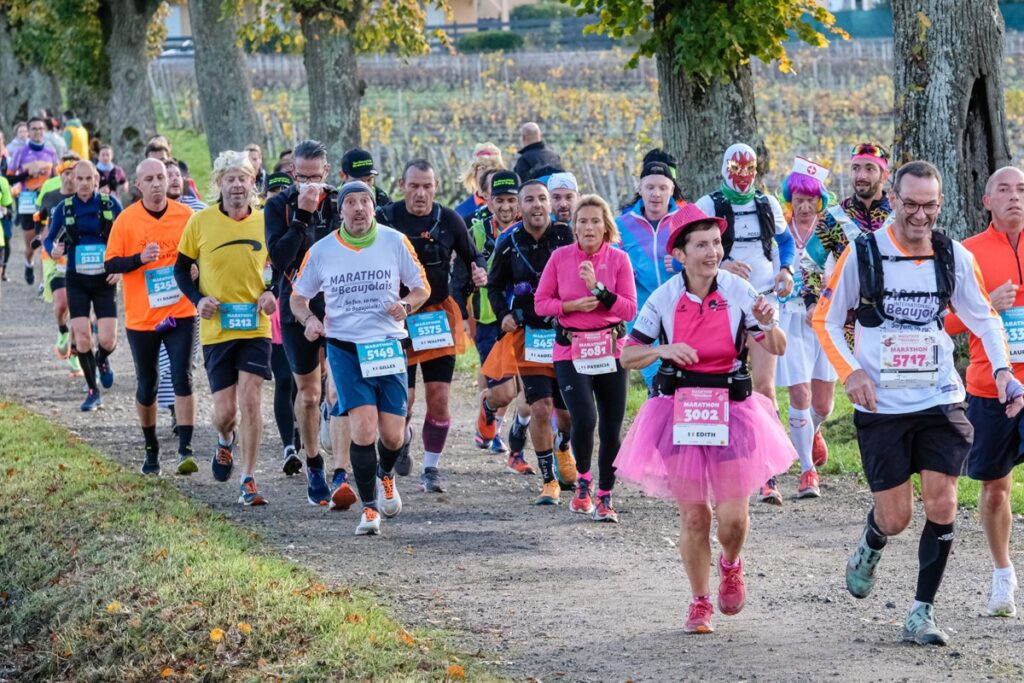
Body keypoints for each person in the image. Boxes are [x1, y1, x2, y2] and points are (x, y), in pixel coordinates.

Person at [813, 160, 1024, 646]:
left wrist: (1004, 372)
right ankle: (873, 537)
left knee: (944, 501)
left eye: (929, 206)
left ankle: (921, 612)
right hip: (882, 402)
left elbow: (986, 318)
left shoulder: (952, 256)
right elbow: (824, 320)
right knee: (897, 518)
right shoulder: (863, 253)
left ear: (940, 204)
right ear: (893, 201)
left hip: (939, 397)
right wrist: (852, 372)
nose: (920, 216)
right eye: (910, 205)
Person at [616, 202, 795, 634]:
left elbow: (778, 347)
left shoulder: (738, 292)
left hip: (733, 409)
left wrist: (768, 322)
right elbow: (626, 355)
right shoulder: (663, 297)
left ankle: (731, 563)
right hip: (679, 410)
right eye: (701, 245)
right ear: (680, 253)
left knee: (732, 520)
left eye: (716, 243)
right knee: (696, 517)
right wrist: (662, 350)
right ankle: (699, 601)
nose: (712, 252)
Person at [291, 180, 430, 535]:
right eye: (349, 202)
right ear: (340, 212)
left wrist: (406, 305)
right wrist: (309, 321)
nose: (357, 208)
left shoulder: (394, 241)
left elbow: (421, 287)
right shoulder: (322, 250)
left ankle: (385, 476)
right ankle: (369, 509)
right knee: (364, 428)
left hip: (387, 346)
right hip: (345, 347)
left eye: (363, 201)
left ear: (372, 207)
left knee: (393, 437)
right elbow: (298, 297)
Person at [174, 150, 277, 506]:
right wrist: (197, 300)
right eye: (230, 179)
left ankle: (248, 478)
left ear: (253, 183)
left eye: (243, 178)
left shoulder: (266, 221)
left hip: (255, 326)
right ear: (218, 184)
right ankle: (224, 440)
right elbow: (180, 270)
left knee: (251, 399)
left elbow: (282, 265)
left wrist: (272, 292)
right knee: (224, 414)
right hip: (217, 328)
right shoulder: (200, 223)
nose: (237, 185)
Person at [945, 166, 1024, 617]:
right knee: (995, 488)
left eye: (1022, 189)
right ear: (986, 200)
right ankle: (1003, 577)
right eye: (1004, 190)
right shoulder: (967, 253)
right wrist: (987, 307)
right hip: (990, 385)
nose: (1015, 197)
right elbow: (945, 323)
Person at [695, 143, 794, 504]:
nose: (742, 181)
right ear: (724, 170)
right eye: (735, 173)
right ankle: (720, 463)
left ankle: (769, 472)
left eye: (748, 173)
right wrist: (720, 267)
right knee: (721, 385)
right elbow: (688, 248)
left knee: (765, 388)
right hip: (724, 299)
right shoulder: (708, 205)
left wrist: (787, 269)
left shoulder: (767, 204)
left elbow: (785, 242)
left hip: (763, 298)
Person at [380, 159, 488, 492]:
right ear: (402, 185)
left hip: (436, 317)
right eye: (414, 186)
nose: (421, 193)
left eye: (427, 186)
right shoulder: (385, 218)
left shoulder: (449, 219)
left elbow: (474, 255)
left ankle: (431, 469)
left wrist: (478, 270)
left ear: (436, 186)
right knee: (405, 402)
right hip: (396, 319)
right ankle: (404, 437)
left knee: (439, 397)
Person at [265, 139, 356, 509]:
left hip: (340, 308)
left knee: (339, 393)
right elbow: (278, 257)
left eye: (315, 178)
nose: (308, 185)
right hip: (295, 310)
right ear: (292, 173)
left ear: (327, 172)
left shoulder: (340, 203)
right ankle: (314, 461)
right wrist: (301, 216)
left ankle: (341, 472)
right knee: (308, 394)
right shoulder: (278, 206)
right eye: (301, 177)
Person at [534, 194, 636, 521]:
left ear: (606, 227)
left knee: (610, 427)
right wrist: (570, 307)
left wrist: (599, 291)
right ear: (574, 227)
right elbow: (541, 303)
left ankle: (605, 494)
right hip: (571, 348)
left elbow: (629, 308)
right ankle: (583, 482)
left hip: (610, 348)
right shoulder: (560, 258)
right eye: (582, 221)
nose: (588, 227)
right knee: (585, 418)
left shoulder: (619, 260)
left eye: (595, 221)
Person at [483, 180, 577, 503]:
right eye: (530, 200)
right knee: (540, 407)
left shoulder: (567, 236)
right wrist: (503, 315)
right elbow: (493, 286)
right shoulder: (509, 243)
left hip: (567, 333)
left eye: (542, 199)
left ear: (550, 204)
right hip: (530, 336)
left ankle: (564, 446)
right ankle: (549, 479)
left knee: (568, 414)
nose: (537, 205)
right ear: (519, 207)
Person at [104, 159, 197, 475]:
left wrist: (197, 269)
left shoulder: (186, 216)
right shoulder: (126, 220)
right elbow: (111, 264)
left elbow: (201, 255)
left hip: (180, 310)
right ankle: (151, 447)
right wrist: (138, 259)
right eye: (150, 179)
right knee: (148, 384)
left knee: (182, 374)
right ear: (138, 186)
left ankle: (185, 448)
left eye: (161, 177)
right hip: (142, 317)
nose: (158, 183)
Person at [774, 158, 836, 499]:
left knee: (823, 405)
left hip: (823, 320)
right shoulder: (781, 232)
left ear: (819, 201)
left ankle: (812, 430)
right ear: (790, 199)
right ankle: (807, 471)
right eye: (798, 198)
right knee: (800, 394)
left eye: (810, 199)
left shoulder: (829, 231)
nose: (803, 205)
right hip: (791, 318)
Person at [44, 160, 123, 411]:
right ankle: (92, 391)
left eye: (89, 179)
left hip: (104, 279)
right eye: (79, 179)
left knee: (108, 341)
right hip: (76, 278)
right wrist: (54, 250)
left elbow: (127, 238)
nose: (84, 184)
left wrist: (120, 267)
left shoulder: (111, 205)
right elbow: (49, 241)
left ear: (97, 180)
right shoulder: (63, 208)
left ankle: (102, 360)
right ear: (72, 181)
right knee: (83, 339)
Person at [616, 160, 683, 388]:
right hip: (642, 312)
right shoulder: (621, 225)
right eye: (650, 187)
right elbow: (610, 259)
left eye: (663, 188)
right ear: (640, 188)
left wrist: (683, 262)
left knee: (682, 375)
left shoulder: (686, 219)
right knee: (656, 380)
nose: (656, 194)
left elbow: (709, 255)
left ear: (671, 190)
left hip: (681, 308)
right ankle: (657, 419)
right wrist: (623, 268)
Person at [471, 170, 523, 454]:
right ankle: (487, 405)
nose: (505, 207)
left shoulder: (529, 229)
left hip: (524, 319)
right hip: (490, 320)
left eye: (511, 200)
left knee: (528, 390)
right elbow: (460, 274)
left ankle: (514, 442)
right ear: (489, 202)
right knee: (504, 392)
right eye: (499, 200)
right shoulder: (476, 231)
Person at [36, 155, 81, 374]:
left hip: (80, 258)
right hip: (55, 258)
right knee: (62, 303)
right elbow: (41, 221)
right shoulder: (51, 197)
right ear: (60, 175)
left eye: (75, 173)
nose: (71, 178)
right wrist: (42, 241)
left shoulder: (86, 198)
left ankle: (74, 354)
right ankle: (63, 330)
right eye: (66, 173)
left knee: (79, 309)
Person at [815, 142, 893, 264]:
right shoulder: (833, 216)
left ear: (884, 175)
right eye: (855, 168)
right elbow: (809, 264)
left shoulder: (899, 214)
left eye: (869, 169)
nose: (861, 176)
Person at [7, 117, 58, 285]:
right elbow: (10, 178)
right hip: (27, 199)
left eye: (40, 128)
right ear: (28, 131)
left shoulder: (51, 151)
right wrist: (27, 175)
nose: (37, 132)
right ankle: (29, 263)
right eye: (34, 129)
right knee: (30, 243)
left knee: (46, 239)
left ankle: (45, 281)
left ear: (44, 130)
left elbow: (57, 176)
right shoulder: (21, 152)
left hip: (46, 200)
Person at [455, 143, 504, 222]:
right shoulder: (461, 211)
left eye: (493, 168)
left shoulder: (511, 205)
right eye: (483, 167)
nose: (488, 173)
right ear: (473, 173)